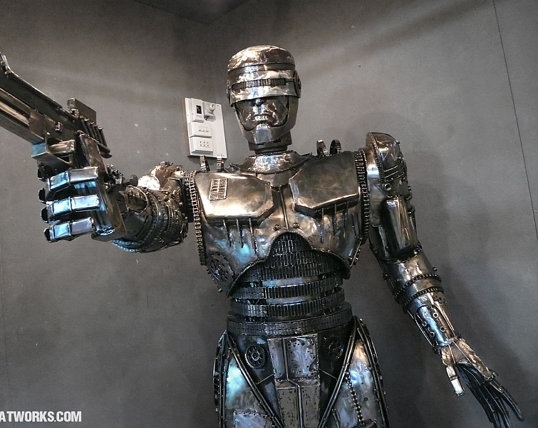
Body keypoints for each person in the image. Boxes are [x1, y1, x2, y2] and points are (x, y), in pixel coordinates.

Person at [42, 45, 522, 428]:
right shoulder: (199, 186)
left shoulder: (356, 168)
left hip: (340, 353)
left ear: (294, 97)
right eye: (248, 100)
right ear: (234, 106)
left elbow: (404, 256)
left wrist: (448, 338)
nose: (261, 111)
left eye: (271, 96)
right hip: (250, 362)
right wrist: (110, 207)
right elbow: (151, 223)